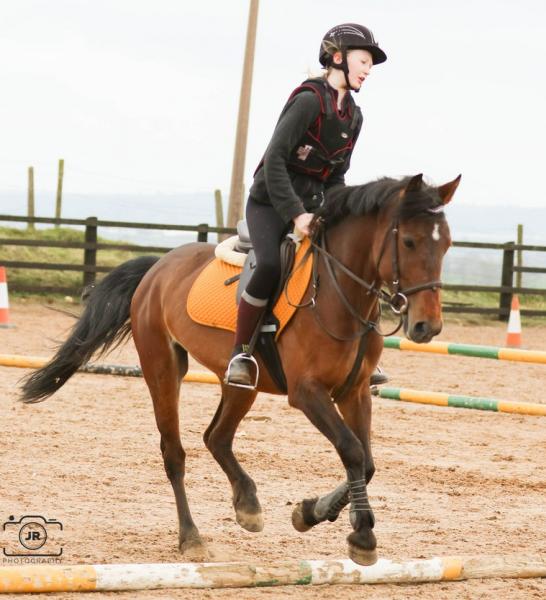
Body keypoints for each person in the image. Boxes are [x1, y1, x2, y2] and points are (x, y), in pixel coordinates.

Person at [225, 23, 388, 388]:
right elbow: (276, 161)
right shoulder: (308, 101)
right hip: (270, 202)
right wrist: (296, 213)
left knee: (351, 259)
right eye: (363, 61)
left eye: (370, 65)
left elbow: (336, 176)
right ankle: (241, 353)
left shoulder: (354, 116)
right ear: (337, 58)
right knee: (268, 263)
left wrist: (339, 213)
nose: (367, 69)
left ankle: (363, 350)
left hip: (315, 205)